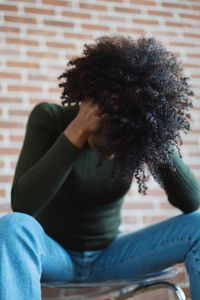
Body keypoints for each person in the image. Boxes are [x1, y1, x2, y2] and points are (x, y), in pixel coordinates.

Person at [0, 34, 200, 300]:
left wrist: (154, 134)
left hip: (112, 258)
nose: (111, 155)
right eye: (104, 143)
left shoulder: (136, 135)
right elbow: (23, 204)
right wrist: (77, 130)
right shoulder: (49, 118)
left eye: (120, 146)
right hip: (55, 256)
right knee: (14, 226)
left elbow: (191, 201)